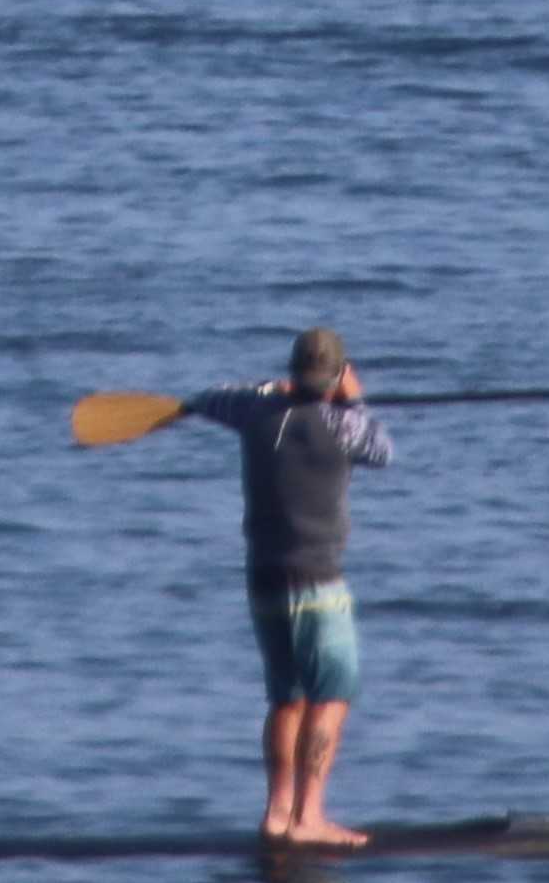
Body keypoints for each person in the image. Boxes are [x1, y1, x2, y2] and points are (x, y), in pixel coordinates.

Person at [150, 326, 391, 847]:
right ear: (336, 378)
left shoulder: (251, 413)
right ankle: (310, 819)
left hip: (263, 579)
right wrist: (357, 400)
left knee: (287, 700)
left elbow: (207, 398)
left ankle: (277, 814)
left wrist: (267, 391)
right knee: (332, 696)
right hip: (319, 584)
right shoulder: (344, 424)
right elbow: (382, 449)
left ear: (291, 374)